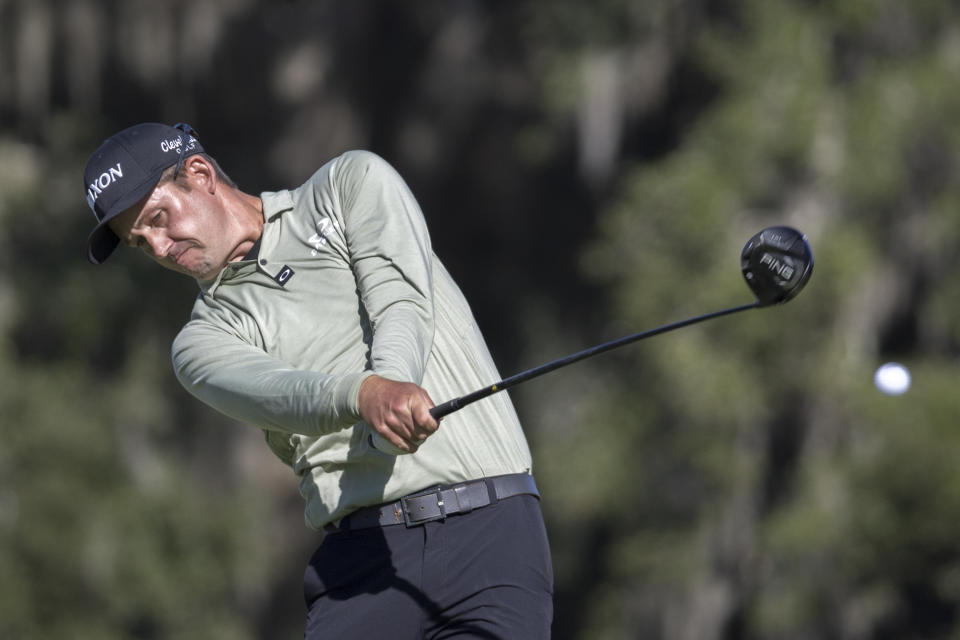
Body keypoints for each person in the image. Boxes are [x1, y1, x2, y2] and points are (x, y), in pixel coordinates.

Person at [82, 122, 553, 638]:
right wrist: (366, 396)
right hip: (361, 560)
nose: (158, 245)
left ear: (199, 174)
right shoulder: (200, 342)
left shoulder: (348, 185)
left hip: (492, 528)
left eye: (158, 218)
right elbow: (287, 393)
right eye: (139, 240)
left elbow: (400, 302)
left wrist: (393, 384)